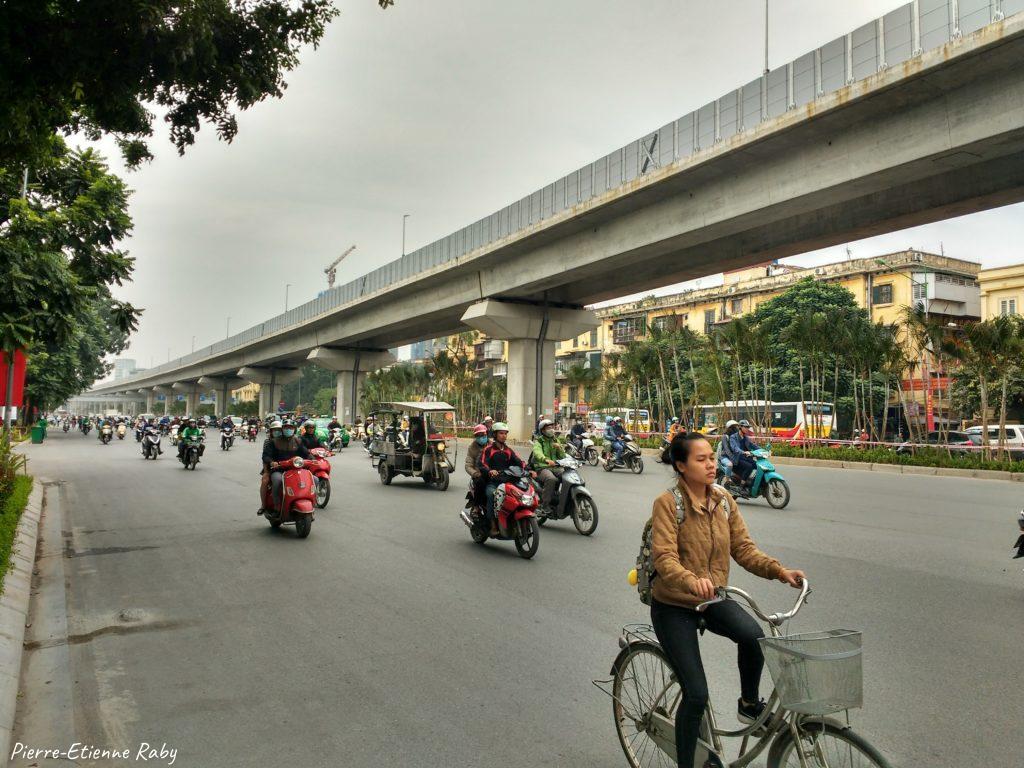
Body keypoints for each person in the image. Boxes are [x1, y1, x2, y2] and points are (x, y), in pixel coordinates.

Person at [652, 432, 805, 768]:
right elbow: (664, 558)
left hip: (711, 597)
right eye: (701, 459)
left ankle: (748, 703)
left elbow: (744, 549)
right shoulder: (668, 503)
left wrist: (780, 572)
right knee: (696, 694)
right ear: (681, 465)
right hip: (674, 603)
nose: (710, 464)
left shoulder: (723, 500)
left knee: (754, 635)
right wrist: (691, 580)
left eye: (711, 457)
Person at [479, 422, 530, 534]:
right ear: (495, 434)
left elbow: (519, 461)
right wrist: (490, 471)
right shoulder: (488, 449)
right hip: (493, 482)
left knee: (520, 496)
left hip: (508, 482)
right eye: (501, 433)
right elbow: (483, 463)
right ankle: (493, 525)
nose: (504, 436)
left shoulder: (508, 450)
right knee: (492, 495)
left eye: (505, 433)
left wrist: (529, 470)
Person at [260, 419, 311, 512]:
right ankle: (277, 505)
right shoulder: (274, 442)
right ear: (282, 429)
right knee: (277, 481)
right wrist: (272, 462)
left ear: (294, 429)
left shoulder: (298, 441)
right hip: (279, 470)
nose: (288, 430)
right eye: (286, 428)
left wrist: (312, 459)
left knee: (313, 479)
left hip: (296, 469)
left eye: (290, 428)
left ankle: (311, 502)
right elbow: (266, 456)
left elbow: (306, 453)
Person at [530, 418, 566, 513]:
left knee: (568, 475)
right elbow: (537, 453)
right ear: (543, 430)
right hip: (542, 467)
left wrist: (560, 448)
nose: (551, 429)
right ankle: (545, 505)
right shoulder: (539, 442)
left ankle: (562, 498)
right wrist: (546, 460)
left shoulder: (555, 440)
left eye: (551, 427)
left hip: (555, 467)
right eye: (548, 428)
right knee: (551, 479)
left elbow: (563, 456)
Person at [464, 424, 490, 508]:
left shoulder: (493, 445)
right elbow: (468, 465)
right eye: (478, 435)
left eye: (483, 435)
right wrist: (475, 474)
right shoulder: (472, 447)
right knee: (480, 483)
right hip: (479, 474)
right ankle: (476, 507)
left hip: (493, 474)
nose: (481, 437)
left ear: (487, 434)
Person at [729, 419, 761, 486]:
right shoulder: (733, 437)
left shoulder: (745, 437)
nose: (747, 429)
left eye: (748, 427)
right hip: (737, 458)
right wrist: (743, 452)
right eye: (745, 427)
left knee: (758, 466)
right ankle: (742, 485)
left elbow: (752, 445)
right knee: (749, 466)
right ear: (740, 427)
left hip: (745, 457)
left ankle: (752, 482)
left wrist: (763, 450)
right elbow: (735, 448)